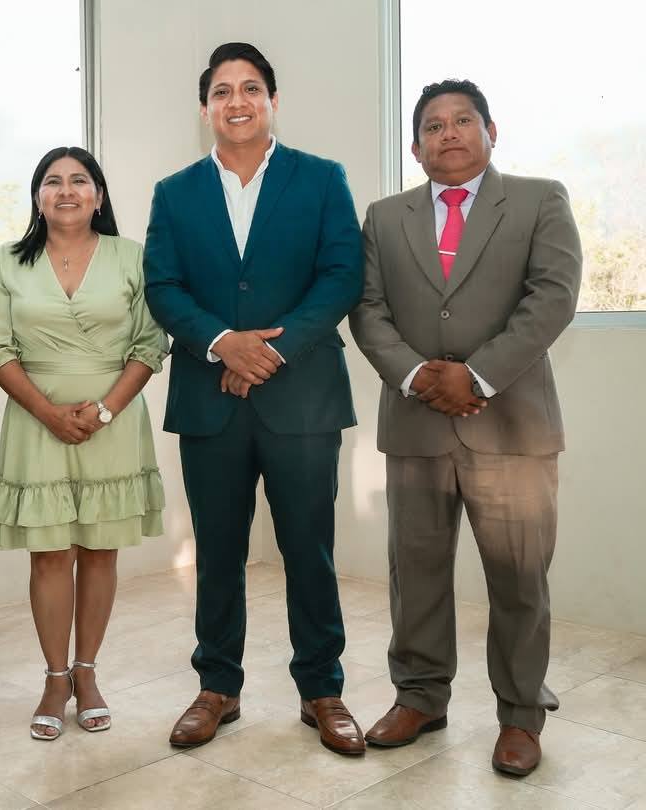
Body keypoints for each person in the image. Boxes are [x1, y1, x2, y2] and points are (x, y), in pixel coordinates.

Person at [349, 79, 581, 776]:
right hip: (415, 424)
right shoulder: (384, 217)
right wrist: (417, 376)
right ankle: (420, 698)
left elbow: (553, 297)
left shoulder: (539, 200)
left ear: (490, 131)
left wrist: (475, 376)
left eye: (462, 121)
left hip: (511, 425)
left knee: (519, 578)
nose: (447, 133)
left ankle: (520, 714)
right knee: (415, 573)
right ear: (415, 147)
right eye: (432, 126)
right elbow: (367, 308)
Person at [143, 43, 365, 754]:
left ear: (272, 100)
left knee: (310, 549)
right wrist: (221, 343)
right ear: (204, 107)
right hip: (209, 399)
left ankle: (322, 689)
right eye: (221, 91)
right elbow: (162, 285)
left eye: (250, 89)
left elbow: (341, 275)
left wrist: (268, 350)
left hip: (302, 398)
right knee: (216, 553)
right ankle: (217, 687)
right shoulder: (175, 192)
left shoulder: (322, 178)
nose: (235, 102)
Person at [0, 146, 168, 740]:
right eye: (52, 182)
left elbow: (150, 343)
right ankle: (55, 679)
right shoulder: (8, 261)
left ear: (98, 196)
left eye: (79, 180)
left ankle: (87, 673)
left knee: (101, 551)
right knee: (51, 554)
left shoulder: (133, 257)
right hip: (37, 424)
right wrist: (48, 413)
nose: (66, 191)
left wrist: (105, 410)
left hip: (115, 421)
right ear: (38, 198)